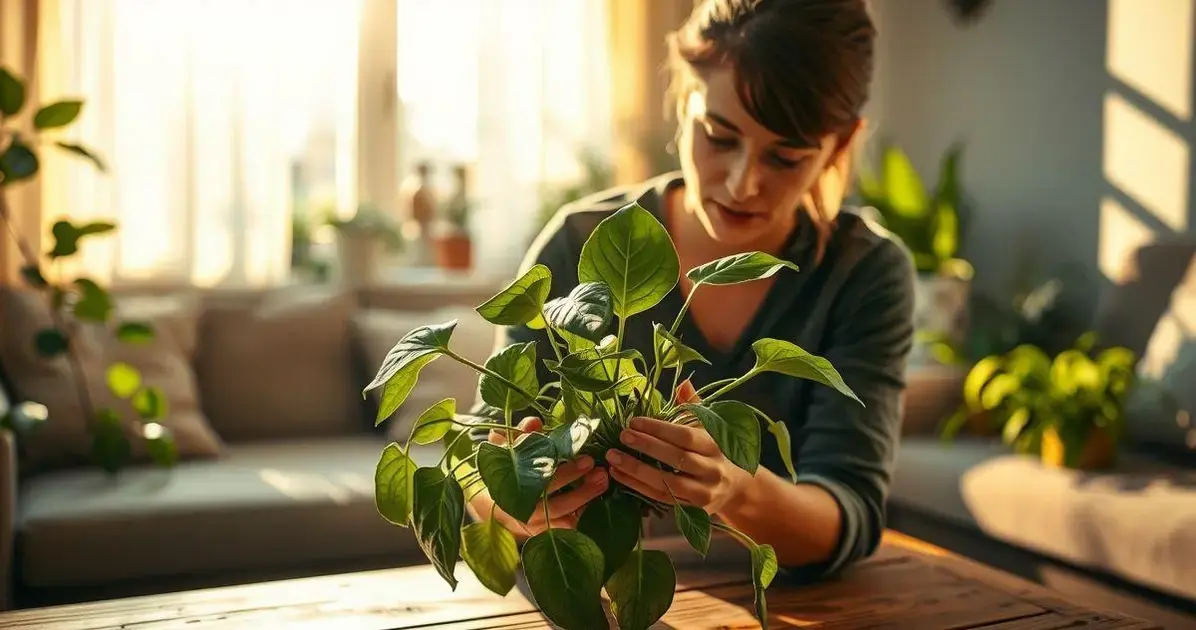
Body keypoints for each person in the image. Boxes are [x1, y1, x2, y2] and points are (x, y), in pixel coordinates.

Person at [468, 0, 914, 579]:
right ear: (683, 98)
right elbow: (481, 466)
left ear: (840, 144)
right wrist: (520, 496)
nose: (742, 183)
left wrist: (736, 490)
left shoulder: (862, 273)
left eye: (786, 156)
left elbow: (849, 512)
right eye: (718, 136)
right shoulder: (582, 243)